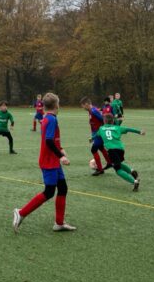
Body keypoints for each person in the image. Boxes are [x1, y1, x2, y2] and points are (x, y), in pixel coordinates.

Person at [12, 92, 75, 232]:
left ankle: (59, 223)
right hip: (49, 161)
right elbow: (48, 141)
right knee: (49, 192)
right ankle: (21, 212)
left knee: (63, 188)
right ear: (57, 105)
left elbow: (51, 139)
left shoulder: (47, 118)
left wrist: (60, 149)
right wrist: (61, 156)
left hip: (52, 160)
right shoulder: (51, 119)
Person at [98, 113, 144, 191]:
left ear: (104, 121)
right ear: (113, 121)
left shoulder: (101, 128)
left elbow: (97, 135)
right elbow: (129, 129)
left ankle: (134, 182)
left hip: (112, 150)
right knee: (119, 163)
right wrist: (139, 132)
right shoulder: (117, 128)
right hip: (120, 149)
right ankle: (132, 171)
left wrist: (92, 138)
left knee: (118, 170)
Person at [81, 97, 112, 174]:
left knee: (93, 150)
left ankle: (100, 169)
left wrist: (103, 131)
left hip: (99, 134)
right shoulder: (91, 111)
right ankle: (109, 163)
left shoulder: (94, 111)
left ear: (87, 104)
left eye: (83, 106)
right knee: (101, 148)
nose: (83, 107)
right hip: (96, 134)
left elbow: (103, 120)